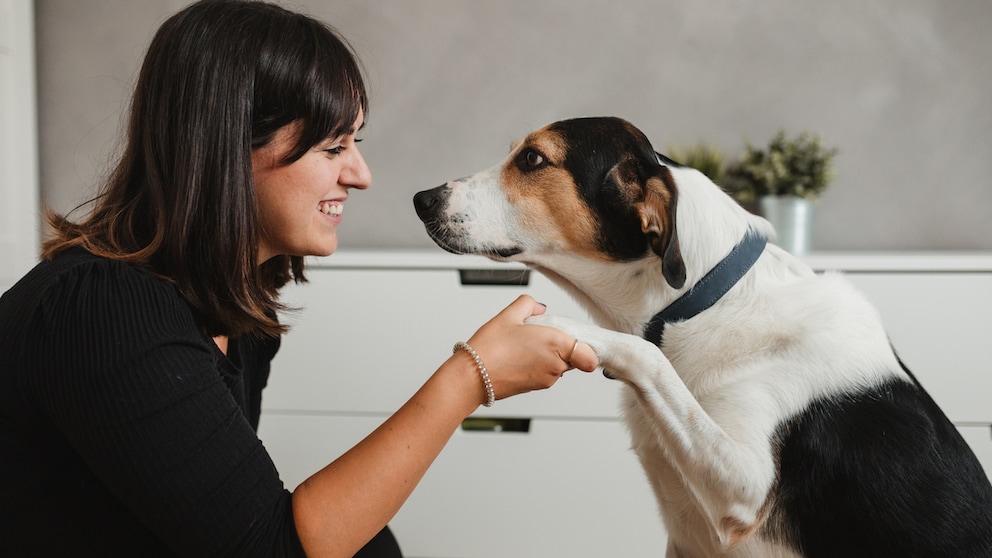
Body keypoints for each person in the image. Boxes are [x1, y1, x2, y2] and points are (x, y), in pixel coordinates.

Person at [0, 1, 598, 556]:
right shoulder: (102, 309)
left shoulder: (239, 316)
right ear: (228, 146)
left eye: (353, 143)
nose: (361, 174)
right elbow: (272, 549)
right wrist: (471, 376)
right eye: (333, 147)